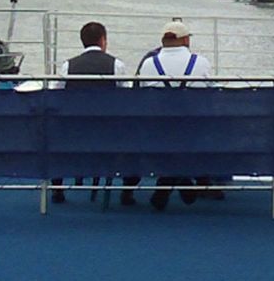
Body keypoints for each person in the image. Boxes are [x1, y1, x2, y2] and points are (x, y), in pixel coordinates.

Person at [135, 19, 220, 210]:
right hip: (195, 130)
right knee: (189, 137)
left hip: (157, 130)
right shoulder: (201, 63)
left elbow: (140, 95)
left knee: (172, 139)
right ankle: (183, 180)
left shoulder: (149, 64)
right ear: (185, 41)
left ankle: (168, 183)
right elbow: (212, 94)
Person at [52, 21, 133, 204]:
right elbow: (126, 96)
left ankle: (57, 189)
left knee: (55, 139)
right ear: (103, 40)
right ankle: (127, 192)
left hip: (74, 129)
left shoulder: (68, 66)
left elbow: (56, 93)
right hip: (109, 129)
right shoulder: (116, 65)